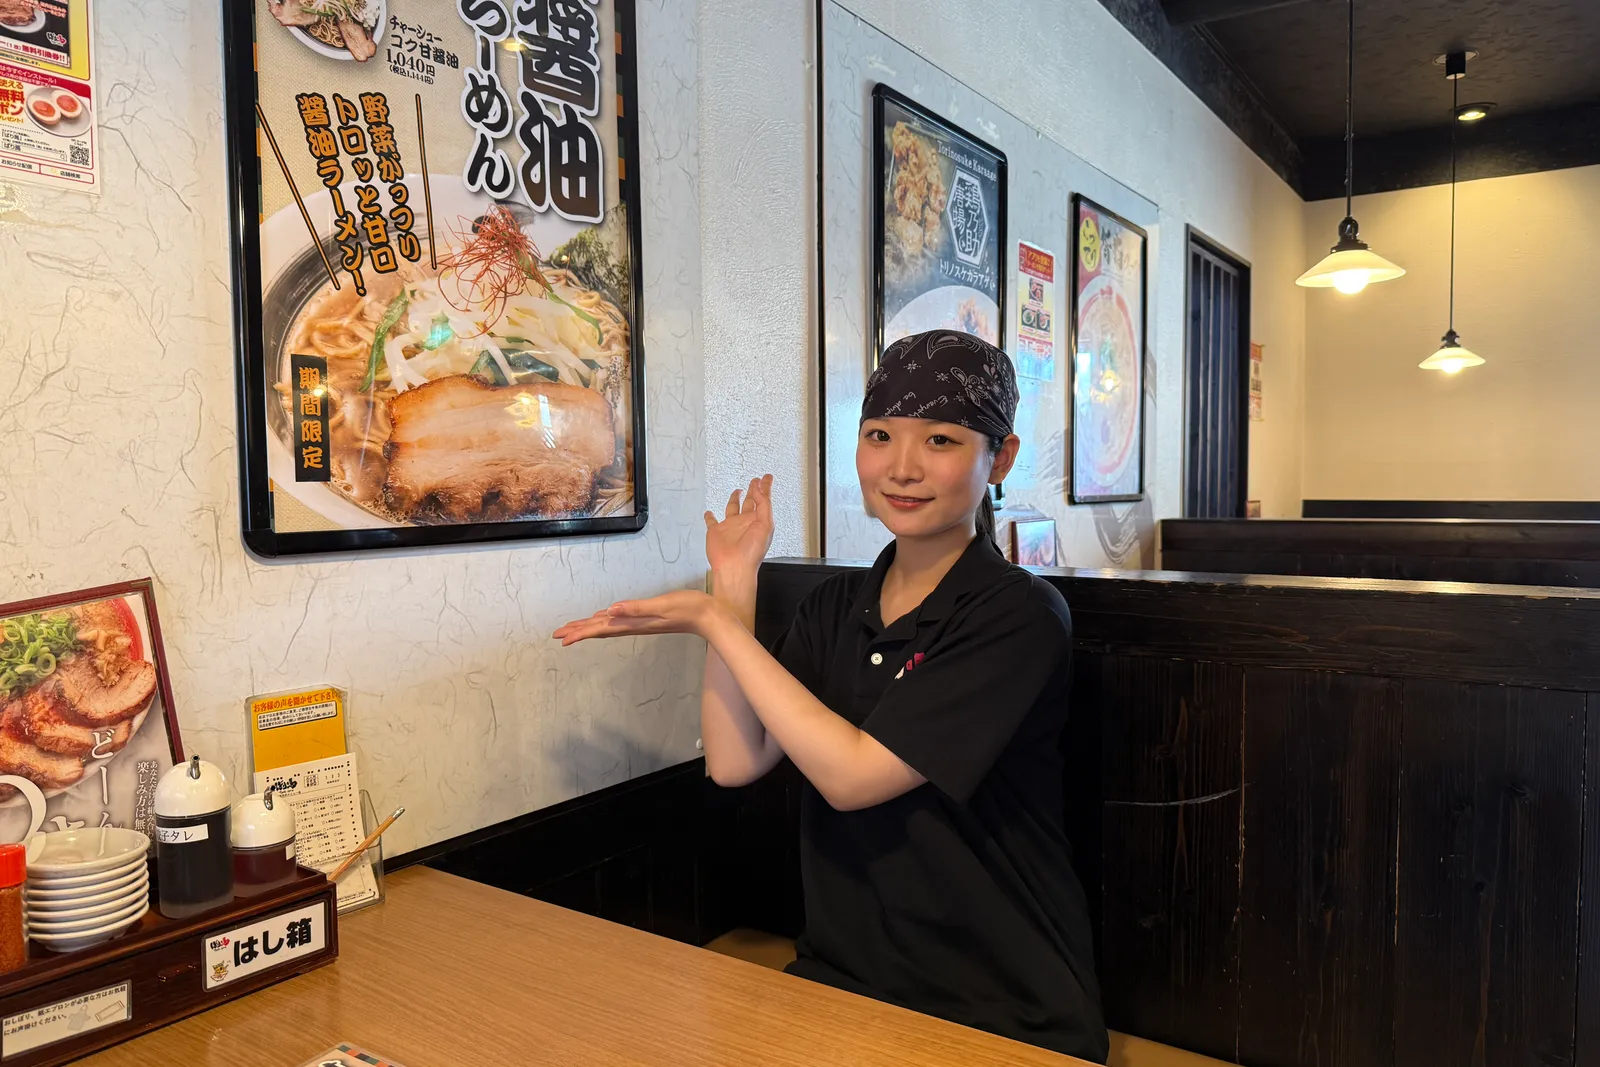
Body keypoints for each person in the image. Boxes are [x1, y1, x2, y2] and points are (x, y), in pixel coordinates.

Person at [555, 330, 1108, 1062]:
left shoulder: (1018, 613)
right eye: (880, 434)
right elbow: (733, 760)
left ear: (998, 457)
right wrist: (735, 586)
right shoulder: (835, 605)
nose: (903, 467)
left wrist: (714, 621)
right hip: (842, 981)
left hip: (1000, 1007)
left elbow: (851, 776)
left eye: (941, 439)